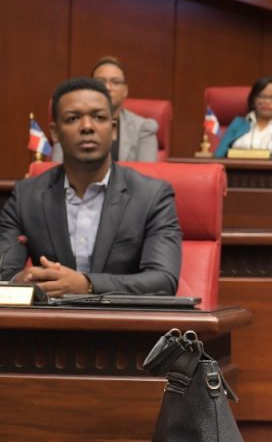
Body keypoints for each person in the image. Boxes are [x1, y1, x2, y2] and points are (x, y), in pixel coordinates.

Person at [0, 78, 181, 296]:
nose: (87, 127)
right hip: (50, 325)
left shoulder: (151, 196)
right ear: (55, 133)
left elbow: (163, 280)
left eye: (99, 117)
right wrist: (20, 281)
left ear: (113, 130)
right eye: (73, 118)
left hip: (123, 325)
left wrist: (87, 285)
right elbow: (4, 273)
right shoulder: (26, 197)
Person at [52, 56, 158, 163]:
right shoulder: (69, 122)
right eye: (100, 82)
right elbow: (57, 167)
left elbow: (146, 173)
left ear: (125, 90)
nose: (107, 87)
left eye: (115, 82)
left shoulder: (144, 128)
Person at [214, 76, 272, 157]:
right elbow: (218, 156)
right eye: (261, 96)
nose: (267, 102)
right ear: (253, 100)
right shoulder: (237, 123)